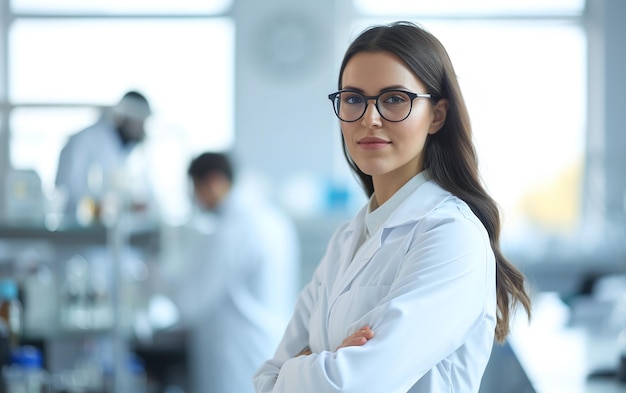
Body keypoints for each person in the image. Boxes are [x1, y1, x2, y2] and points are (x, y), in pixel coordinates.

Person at [253, 21, 532, 393]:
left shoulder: (452, 234)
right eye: (353, 99)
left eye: (395, 99)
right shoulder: (346, 239)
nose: (369, 119)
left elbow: (356, 384)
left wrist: (306, 362)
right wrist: (327, 363)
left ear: (437, 115)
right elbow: (264, 380)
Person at [173, 152, 300, 393]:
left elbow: (191, 303)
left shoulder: (233, 229)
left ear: (212, 182)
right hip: (267, 346)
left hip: (238, 357)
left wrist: (156, 281)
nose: (196, 201)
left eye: (195, 190)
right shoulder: (271, 217)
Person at [55, 90, 153, 220]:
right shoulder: (85, 140)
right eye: (140, 122)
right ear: (125, 118)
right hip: (79, 231)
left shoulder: (125, 151)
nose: (142, 128)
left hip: (107, 233)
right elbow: (68, 192)